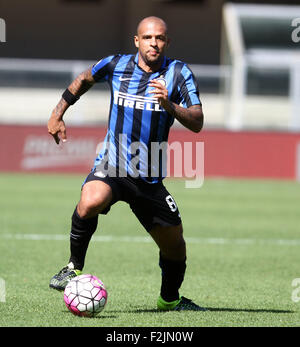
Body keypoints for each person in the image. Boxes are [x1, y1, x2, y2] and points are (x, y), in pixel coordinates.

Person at [47, 16, 204, 311]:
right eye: (147, 38)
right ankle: (73, 266)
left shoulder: (179, 73)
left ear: (167, 42)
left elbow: (197, 121)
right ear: (137, 41)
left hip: (150, 179)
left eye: (159, 38)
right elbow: (83, 80)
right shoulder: (115, 64)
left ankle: (169, 300)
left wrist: (170, 106)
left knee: (175, 247)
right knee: (90, 201)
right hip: (113, 165)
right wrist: (57, 113)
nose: (153, 43)